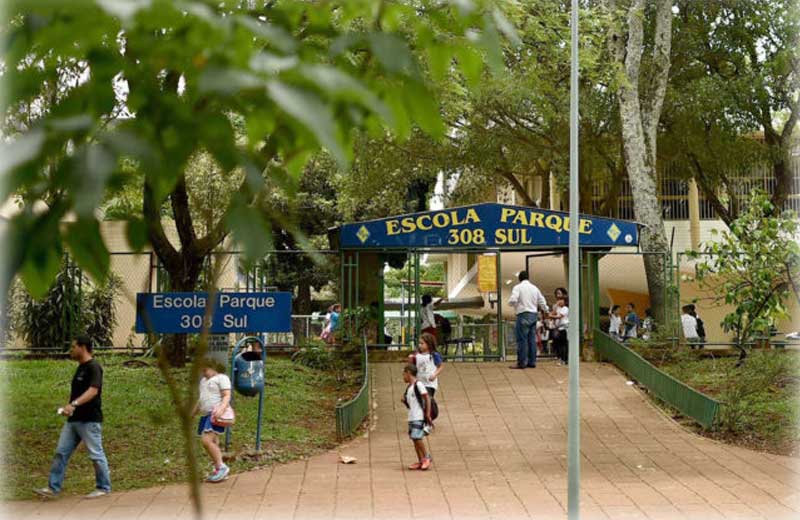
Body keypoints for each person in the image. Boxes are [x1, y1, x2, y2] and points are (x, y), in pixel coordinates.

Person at [34, 335, 111, 499]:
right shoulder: (80, 367)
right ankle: (53, 487)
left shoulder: (94, 367)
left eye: (73, 346)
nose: (71, 350)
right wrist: (68, 408)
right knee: (61, 452)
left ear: (83, 347)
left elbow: (93, 390)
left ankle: (103, 487)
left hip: (89, 420)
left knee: (96, 454)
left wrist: (74, 404)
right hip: (73, 421)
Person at [195, 358, 232, 482]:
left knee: (206, 441)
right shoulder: (203, 381)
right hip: (206, 415)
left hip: (215, 414)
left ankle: (222, 466)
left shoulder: (221, 378)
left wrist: (222, 408)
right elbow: (200, 401)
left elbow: (227, 395)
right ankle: (218, 467)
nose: (204, 373)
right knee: (213, 442)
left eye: (205, 370)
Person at [508, 271, 549, 369]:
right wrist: (546, 310)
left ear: (520, 278)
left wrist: (512, 305)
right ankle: (532, 362)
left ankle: (522, 362)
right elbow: (542, 301)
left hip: (523, 314)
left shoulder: (517, 287)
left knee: (522, 340)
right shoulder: (535, 288)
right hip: (533, 315)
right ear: (528, 278)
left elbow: (513, 300)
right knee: (531, 339)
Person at [400, 364, 432, 470]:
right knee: (414, 438)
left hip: (418, 416)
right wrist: (404, 401)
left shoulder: (418, 384)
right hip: (412, 416)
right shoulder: (409, 388)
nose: (403, 377)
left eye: (404, 374)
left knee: (417, 437)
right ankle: (420, 460)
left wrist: (427, 414)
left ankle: (427, 457)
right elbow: (411, 405)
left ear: (408, 373)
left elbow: (426, 398)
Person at [409, 332, 444, 398]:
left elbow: (440, 366)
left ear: (429, 344)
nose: (420, 345)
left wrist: (434, 375)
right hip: (419, 382)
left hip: (430, 384)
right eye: (419, 343)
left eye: (422, 343)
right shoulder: (416, 355)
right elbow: (413, 367)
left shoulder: (433, 355)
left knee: (427, 399)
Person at [549, 295, 569, 365]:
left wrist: (551, 316)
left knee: (563, 345)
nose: (559, 302)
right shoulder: (558, 308)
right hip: (558, 328)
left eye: (561, 300)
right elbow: (553, 313)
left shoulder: (565, 308)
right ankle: (560, 358)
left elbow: (559, 316)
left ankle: (564, 359)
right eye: (558, 300)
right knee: (558, 345)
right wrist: (555, 307)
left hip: (563, 328)